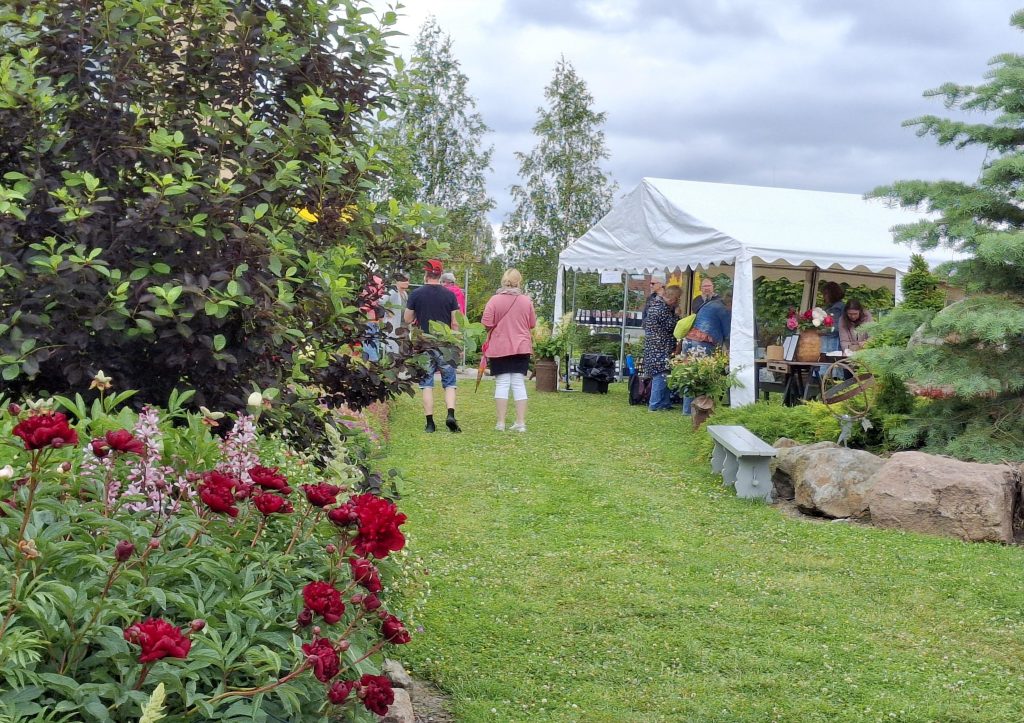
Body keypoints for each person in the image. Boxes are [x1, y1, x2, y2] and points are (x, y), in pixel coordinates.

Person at [404, 260, 461, 433]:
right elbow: (455, 322)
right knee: (449, 383)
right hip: (445, 343)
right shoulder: (450, 295)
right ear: (440, 275)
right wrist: (456, 341)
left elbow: (407, 319)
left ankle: (430, 423)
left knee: (426, 384)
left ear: (426, 274)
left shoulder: (416, 294)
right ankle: (450, 414)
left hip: (424, 344)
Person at [481, 269, 537, 432]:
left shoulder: (494, 300)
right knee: (519, 383)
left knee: (502, 383)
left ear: (503, 281)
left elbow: (486, 322)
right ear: (519, 282)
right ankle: (520, 422)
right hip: (521, 346)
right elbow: (532, 323)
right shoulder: (526, 301)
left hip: (500, 346)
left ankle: (500, 423)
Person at [681, 292, 732, 414]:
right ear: (731, 303)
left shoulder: (710, 304)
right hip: (704, 342)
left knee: (691, 376)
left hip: (689, 340)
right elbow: (728, 333)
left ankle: (687, 409)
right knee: (703, 376)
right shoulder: (723, 309)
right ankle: (700, 409)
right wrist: (730, 350)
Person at [642, 285, 683, 411]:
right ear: (673, 299)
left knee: (665, 375)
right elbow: (672, 326)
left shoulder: (656, 306)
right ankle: (654, 405)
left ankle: (664, 403)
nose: (679, 302)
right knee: (661, 375)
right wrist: (677, 316)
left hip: (655, 347)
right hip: (660, 348)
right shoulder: (661, 309)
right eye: (678, 299)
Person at [382, 271, 410, 354]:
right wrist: (386, 312)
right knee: (394, 350)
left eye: (408, 280)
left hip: (404, 325)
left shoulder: (405, 293)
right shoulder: (392, 292)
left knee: (405, 350)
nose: (407, 282)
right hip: (395, 325)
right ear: (397, 282)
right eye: (404, 281)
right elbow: (381, 302)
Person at [820, 281, 845, 354]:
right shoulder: (831, 307)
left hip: (832, 343)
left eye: (825, 294)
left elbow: (835, 328)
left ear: (832, 294)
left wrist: (820, 331)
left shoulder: (837, 308)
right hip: (830, 341)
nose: (823, 297)